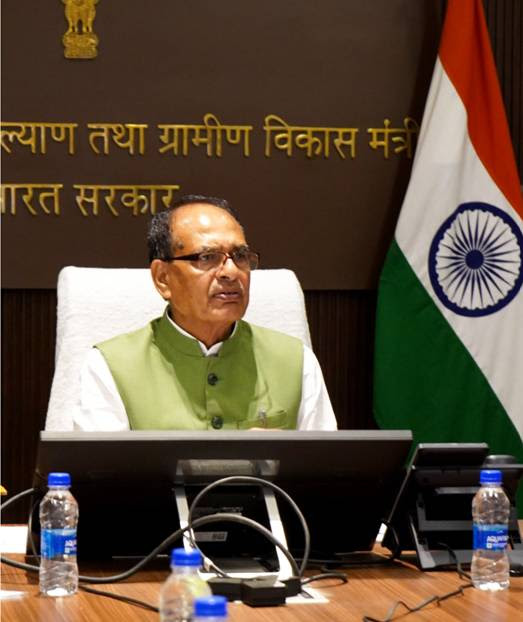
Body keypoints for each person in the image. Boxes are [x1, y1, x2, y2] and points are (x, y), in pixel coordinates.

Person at [73, 195, 337, 431]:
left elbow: (325, 466)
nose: (231, 272)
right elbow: (102, 470)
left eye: (240, 255)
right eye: (207, 257)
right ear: (163, 278)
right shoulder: (109, 366)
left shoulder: (296, 361)